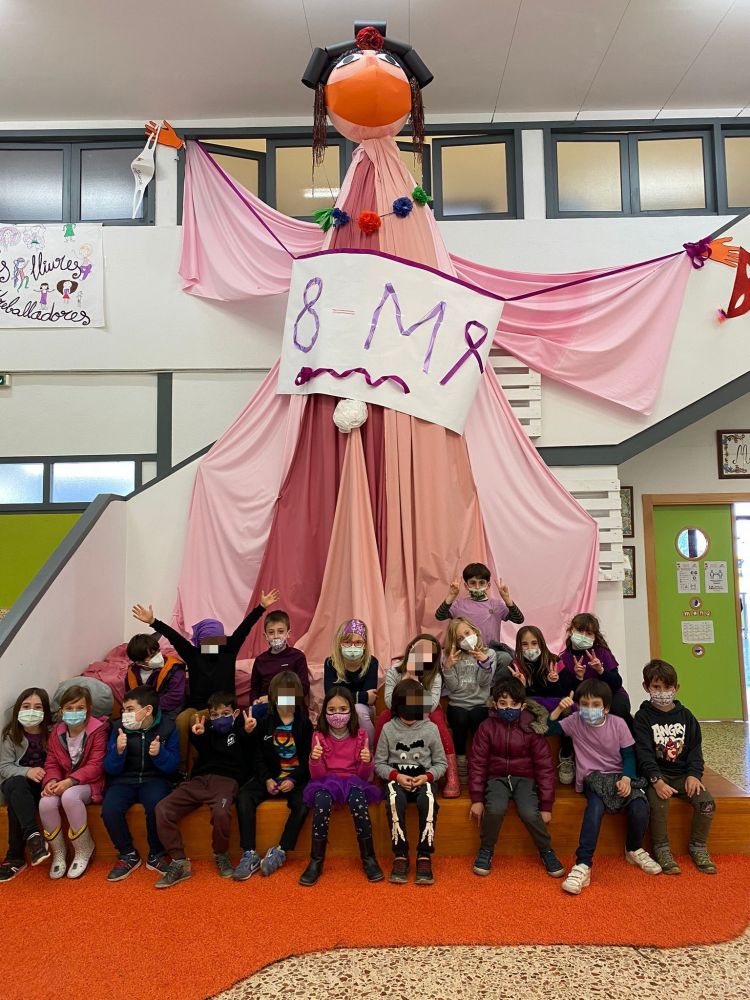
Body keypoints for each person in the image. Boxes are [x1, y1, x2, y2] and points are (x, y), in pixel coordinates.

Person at [132, 589, 278, 769]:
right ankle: (181, 767)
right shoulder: (193, 654)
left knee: (194, 720)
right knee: (182, 719)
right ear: (200, 641)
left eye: (216, 640)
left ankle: (194, 766)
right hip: (197, 705)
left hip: (222, 706)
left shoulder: (229, 650)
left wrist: (261, 607)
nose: (213, 644)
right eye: (208, 641)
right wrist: (153, 622)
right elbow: (174, 637)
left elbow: (244, 628)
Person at [547, 680, 661, 895]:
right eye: (584, 704)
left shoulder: (618, 724)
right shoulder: (574, 721)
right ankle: (583, 864)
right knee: (595, 809)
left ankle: (634, 848)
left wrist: (626, 778)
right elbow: (548, 729)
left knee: (639, 806)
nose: (589, 709)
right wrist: (559, 709)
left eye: (595, 704)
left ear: (606, 708)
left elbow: (629, 755)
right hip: (592, 778)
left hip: (619, 776)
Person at [153, 691, 256, 888]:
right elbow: (202, 744)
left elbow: (247, 744)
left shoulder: (241, 728)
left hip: (226, 781)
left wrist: (249, 732)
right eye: (215, 715)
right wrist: (197, 735)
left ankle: (221, 853)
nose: (220, 718)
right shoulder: (206, 728)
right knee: (162, 808)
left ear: (235, 713)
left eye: (225, 713)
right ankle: (179, 862)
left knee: (221, 812)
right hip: (199, 781)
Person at [469, 676, 564, 878]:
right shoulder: (486, 727)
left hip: (525, 779)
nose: (508, 708)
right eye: (503, 703)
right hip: (496, 779)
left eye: (513, 704)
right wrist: (477, 799)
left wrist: (546, 806)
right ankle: (486, 849)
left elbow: (545, 767)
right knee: (495, 809)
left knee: (529, 812)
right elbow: (477, 763)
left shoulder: (532, 727)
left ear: (522, 706)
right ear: (495, 704)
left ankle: (546, 851)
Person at [634, 659, 717, 875]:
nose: (662, 692)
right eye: (656, 687)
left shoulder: (687, 717)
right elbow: (643, 753)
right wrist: (656, 781)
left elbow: (695, 750)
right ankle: (661, 849)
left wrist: (694, 775)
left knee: (707, 803)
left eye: (667, 687)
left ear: (676, 688)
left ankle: (698, 846)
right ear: (646, 687)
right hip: (658, 777)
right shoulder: (643, 717)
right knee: (658, 804)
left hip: (683, 776)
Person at [299, 686, 383, 885]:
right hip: (326, 781)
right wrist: (314, 759)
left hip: (353, 780)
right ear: (325, 712)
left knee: (358, 802)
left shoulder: (361, 735)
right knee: (321, 801)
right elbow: (318, 775)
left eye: (343, 709)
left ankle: (369, 857)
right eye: (332, 709)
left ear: (351, 711)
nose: (337, 714)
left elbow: (362, 776)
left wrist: (366, 761)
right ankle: (316, 860)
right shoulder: (318, 736)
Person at [233, 671, 312, 881]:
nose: (287, 699)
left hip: (294, 780)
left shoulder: (304, 723)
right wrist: (267, 778)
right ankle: (249, 853)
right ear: (273, 697)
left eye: (291, 695)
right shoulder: (263, 721)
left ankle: (281, 850)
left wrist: (293, 779)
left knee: (303, 804)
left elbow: (307, 759)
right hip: (268, 778)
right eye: (282, 695)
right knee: (244, 796)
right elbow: (257, 756)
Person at [101, 685, 180, 881]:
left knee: (156, 806)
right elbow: (109, 768)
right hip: (123, 780)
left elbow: (172, 766)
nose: (125, 715)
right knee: (110, 809)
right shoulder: (118, 728)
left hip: (155, 778)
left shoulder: (168, 727)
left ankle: (156, 854)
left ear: (147, 710)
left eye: (130, 709)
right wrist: (118, 752)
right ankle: (128, 854)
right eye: (123, 710)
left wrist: (159, 754)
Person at [374, 677, 447, 886]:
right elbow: (379, 763)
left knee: (429, 800)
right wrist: (396, 776)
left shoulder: (431, 729)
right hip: (397, 779)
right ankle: (400, 854)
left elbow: (441, 763)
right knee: (394, 800)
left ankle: (424, 854)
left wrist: (427, 777)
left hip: (424, 779)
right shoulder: (388, 729)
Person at [375, 634, 460, 797]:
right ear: (411, 648)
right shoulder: (395, 670)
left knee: (437, 721)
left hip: (426, 710)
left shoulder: (434, 675)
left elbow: (432, 704)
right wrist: (406, 679)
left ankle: (451, 773)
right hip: (399, 710)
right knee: (384, 717)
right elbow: (389, 702)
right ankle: (379, 773)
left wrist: (415, 682)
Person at [40, 685, 109, 880]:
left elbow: (96, 765)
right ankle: (59, 853)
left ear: (88, 709)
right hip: (63, 781)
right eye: (69, 708)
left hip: (91, 783)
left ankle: (83, 848)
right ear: (61, 711)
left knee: (69, 797)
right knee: (45, 802)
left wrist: (69, 782)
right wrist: (51, 781)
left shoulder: (98, 730)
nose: (74, 712)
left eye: (79, 708)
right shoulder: (57, 732)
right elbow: (52, 762)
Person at [556, 613, 632, 786]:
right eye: (580, 630)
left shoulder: (602, 653)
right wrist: (578, 677)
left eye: (589, 633)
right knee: (566, 713)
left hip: (611, 694)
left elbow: (617, 682)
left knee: (619, 710)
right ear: (571, 631)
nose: (584, 636)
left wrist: (601, 671)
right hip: (583, 700)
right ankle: (567, 756)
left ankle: (627, 755)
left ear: (595, 636)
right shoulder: (564, 658)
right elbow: (567, 691)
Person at [0, 687, 53, 882]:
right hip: (17, 784)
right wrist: (27, 771)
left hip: (43, 785)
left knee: (16, 803)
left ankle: (15, 856)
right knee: (17, 785)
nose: (31, 711)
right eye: (26, 706)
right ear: (18, 709)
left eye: (38, 707)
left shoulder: (52, 733)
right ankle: (33, 837)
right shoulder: (11, 735)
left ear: (45, 711)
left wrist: (50, 779)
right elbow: (4, 767)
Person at [435, 561, 525, 668]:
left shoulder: (496, 605)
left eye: (481, 583)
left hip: (490, 652)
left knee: (505, 658)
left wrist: (506, 598)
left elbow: (519, 619)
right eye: (473, 583)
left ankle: (494, 678)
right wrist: (451, 596)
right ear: (466, 585)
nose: (477, 587)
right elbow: (439, 616)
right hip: (464, 652)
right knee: (440, 658)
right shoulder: (458, 605)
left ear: (488, 585)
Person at [441, 617, 495, 789]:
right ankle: (461, 760)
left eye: (467, 633)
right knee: (460, 718)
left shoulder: (490, 654)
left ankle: (479, 763)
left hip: (480, 704)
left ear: (475, 631)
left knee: (478, 717)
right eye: (460, 638)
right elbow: (453, 687)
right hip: (457, 704)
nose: (465, 639)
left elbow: (484, 683)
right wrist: (448, 667)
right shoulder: (451, 656)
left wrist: (484, 663)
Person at [323, 619, 379, 746]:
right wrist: (362, 696)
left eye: (358, 642)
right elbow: (330, 695)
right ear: (339, 644)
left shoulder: (371, 662)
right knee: (332, 710)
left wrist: (343, 696)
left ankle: (369, 749)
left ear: (365, 644)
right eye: (347, 642)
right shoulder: (330, 663)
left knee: (358, 710)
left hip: (364, 710)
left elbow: (371, 699)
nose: (352, 647)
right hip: (337, 707)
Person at [248, 610, 310, 720]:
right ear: (266, 636)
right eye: (271, 632)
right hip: (266, 709)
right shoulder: (260, 660)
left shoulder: (298, 657)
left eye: (280, 631)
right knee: (245, 717)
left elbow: (303, 688)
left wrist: (273, 699)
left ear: (288, 633)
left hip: (291, 707)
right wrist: (255, 701)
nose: (276, 636)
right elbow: (255, 688)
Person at [124, 633, 186, 718]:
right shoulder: (132, 672)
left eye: (158, 651)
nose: (158, 656)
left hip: (169, 710)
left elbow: (175, 696)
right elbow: (129, 696)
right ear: (139, 662)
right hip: (142, 711)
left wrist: (148, 709)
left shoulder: (174, 668)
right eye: (152, 656)